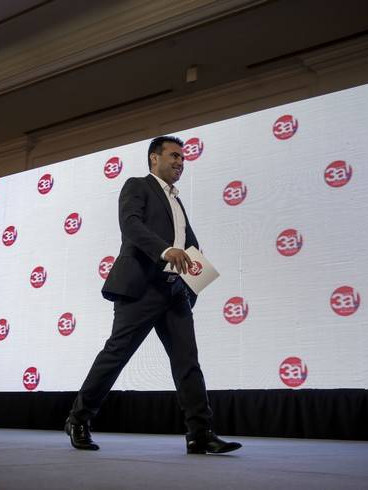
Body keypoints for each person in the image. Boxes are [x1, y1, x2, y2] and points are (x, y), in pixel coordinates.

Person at [65, 136, 242, 455]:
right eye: (174, 156)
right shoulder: (137, 186)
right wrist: (164, 250)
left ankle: (200, 433)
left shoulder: (177, 200)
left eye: (183, 159)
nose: (180, 162)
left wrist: (192, 287)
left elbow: (189, 246)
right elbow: (130, 225)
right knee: (116, 354)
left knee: (188, 362)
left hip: (174, 292)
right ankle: (78, 419)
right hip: (141, 288)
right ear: (154, 158)